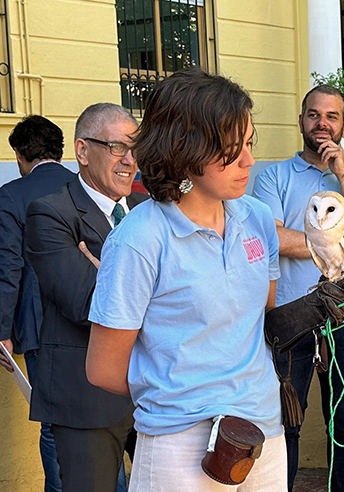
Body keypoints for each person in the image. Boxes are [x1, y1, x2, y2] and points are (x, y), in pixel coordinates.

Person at [85, 70, 287, 492]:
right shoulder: (141, 238)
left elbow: (259, 318)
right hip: (179, 442)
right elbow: (103, 368)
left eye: (249, 144)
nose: (248, 161)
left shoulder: (258, 220)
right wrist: (181, 392)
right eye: (232, 151)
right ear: (185, 149)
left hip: (262, 434)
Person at [253, 84, 344, 491]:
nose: (322, 123)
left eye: (332, 117)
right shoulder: (272, 177)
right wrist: (335, 238)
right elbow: (271, 238)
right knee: (285, 426)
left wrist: (342, 174)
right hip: (289, 322)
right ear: (301, 121)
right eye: (314, 115)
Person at [25, 103, 146, 492]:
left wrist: (106, 270)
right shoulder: (50, 213)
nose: (130, 161)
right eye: (117, 148)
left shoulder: (150, 211)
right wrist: (150, 286)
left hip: (154, 389)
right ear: (82, 150)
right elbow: (88, 304)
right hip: (85, 398)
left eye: (135, 148)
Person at [0, 115, 73, 492]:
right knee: (102, 421)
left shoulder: (11, 195)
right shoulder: (86, 188)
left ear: (19, 153)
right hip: (95, 318)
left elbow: (7, 269)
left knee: (52, 422)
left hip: (40, 324)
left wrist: (2, 333)